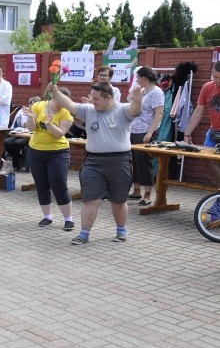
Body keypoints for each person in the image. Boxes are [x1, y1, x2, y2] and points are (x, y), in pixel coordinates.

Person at [50, 80, 143, 244]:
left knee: (119, 200)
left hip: (119, 161)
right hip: (93, 162)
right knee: (90, 199)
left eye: (95, 98)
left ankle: (121, 231)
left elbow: (134, 110)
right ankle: (83, 234)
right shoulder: (89, 110)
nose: (91, 101)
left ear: (108, 97)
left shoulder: (122, 110)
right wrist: (56, 92)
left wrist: (137, 100)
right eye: (91, 98)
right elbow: (71, 106)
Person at [25, 89, 74, 229]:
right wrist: (30, 117)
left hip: (58, 152)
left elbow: (59, 134)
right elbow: (31, 129)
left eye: (65, 103)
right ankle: (47, 216)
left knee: (59, 185)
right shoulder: (38, 106)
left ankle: (68, 219)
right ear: (54, 97)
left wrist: (49, 124)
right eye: (60, 102)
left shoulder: (66, 113)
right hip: (36, 150)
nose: (62, 105)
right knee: (41, 185)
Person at [128, 66, 165, 206]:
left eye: (137, 78)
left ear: (144, 78)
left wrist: (150, 132)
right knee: (135, 161)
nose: (136, 80)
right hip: (134, 129)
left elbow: (159, 113)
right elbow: (130, 100)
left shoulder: (156, 92)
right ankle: (136, 189)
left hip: (146, 130)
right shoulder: (142, 90)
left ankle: (148, 194)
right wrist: (135, 91)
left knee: (145, 162)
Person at [182, 61, 220, 187]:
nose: (218, 80)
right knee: (205, 160)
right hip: (213, 132)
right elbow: (198, 111)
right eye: (215, 77)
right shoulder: (207, 87)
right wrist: (187, 133)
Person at [3, 96, 40, 171]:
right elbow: (18, 124)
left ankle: (15, 164)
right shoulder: (23, 112)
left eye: (34, 105)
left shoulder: (39, 113)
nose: (32, 107)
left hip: (31, 136)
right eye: (31, 105)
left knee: (17, 143)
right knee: (7, 142)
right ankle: (19, 158)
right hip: (21, 134)